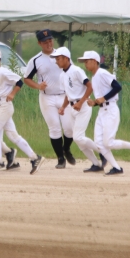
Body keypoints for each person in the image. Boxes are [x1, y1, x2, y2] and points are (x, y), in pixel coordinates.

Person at [78, 51, 130, 176]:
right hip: (102, 111)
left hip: (110, 110)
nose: (85, 64)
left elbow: (117, 87)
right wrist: (95, 102)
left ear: (95, 61)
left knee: (108, 142)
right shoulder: (94, 77)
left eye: (87, 61)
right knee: (99, 143)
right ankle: (116, 168)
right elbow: (101, 98)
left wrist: (103, 98)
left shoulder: (102, 73)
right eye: (84, 62)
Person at [0, 47, 45, 174]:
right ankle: (35, 157)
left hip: (5, 105)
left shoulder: (4, 72)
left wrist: (12, 94)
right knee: (12, 135)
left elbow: (19, 82)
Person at [23, 30, 75, 169]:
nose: (48, 44)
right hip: (47, 97)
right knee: (55, 128)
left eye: (50, 40)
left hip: (64, 96)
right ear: (39, 43)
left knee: (69, 128)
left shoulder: (62, 54)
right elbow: (26, 79)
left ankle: (66, 149)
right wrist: (38, 86)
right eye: (45, 42)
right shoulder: (36, 60)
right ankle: (60, 158)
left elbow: (72, 73)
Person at [50, 47, 103, 172]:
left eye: (58, 58)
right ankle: (96, 164)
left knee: (78, 137)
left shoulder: (76, 70)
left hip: (83, 106)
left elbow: (90, 86)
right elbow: (68, 94)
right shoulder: (62, 75)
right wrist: (63, 107)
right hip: (73, 107)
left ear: (66, 58)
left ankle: (103, 151)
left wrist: (80, 102)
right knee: (79, 141)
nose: (56, 61)